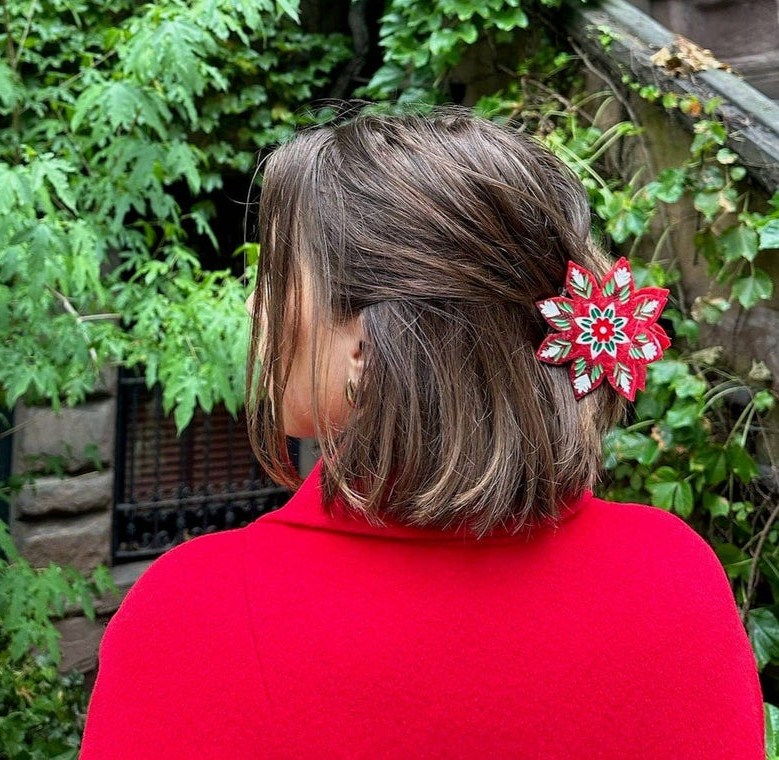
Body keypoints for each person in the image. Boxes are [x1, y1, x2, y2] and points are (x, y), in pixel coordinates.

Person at [80, 108, 763, 759]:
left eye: (280, 275)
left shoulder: (197, 621)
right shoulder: (675, 579)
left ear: (364, 343)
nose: (257, 303)